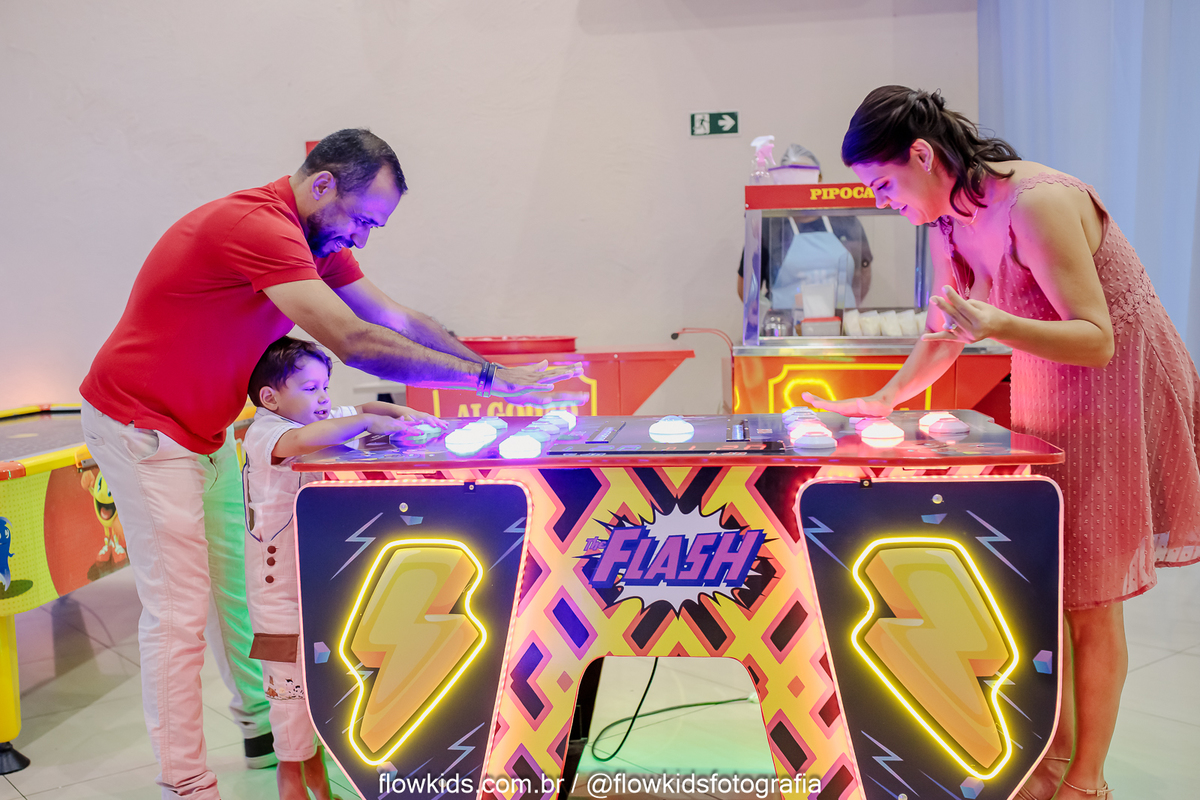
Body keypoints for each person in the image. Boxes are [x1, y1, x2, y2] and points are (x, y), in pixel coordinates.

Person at [79, 128, 581, 800]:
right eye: (362, 220)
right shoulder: (258, 227)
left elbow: (393, 316)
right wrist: (489, 382)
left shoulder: (318, 240)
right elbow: (354, 339)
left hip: (206, 427)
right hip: (140, 422)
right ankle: (186, 782)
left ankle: (262, 730)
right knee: (178, 610)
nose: (362, 239)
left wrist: (497, 372)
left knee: (235, 589)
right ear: (321, 186)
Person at [804, 86, 1200, 799]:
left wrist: (997, 325)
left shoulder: (1037, 205)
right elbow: (948, 329)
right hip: (1048, 386)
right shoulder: (948, 217)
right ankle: (1051, 757)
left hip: (1116, 390)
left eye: (882, 184)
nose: (880, 201)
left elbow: (1097, 338)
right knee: (1048, 582)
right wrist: (884, 399)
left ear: (922, 155)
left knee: (1090, 597)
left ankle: (1086, 781)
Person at [241, 336, 443, 800]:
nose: (323, 398)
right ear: (270, 397)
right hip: (277, 591)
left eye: (325, 387)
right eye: (310, 388)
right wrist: (367, 422)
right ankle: (290, 776)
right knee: (288, 686)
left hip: (312, 578)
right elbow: (308, 439)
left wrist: (403, 414)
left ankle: (317, 771)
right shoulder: (266, 431)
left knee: (318, 675)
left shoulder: (309, 417)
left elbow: (363, 407)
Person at [737, 143, 873, 308]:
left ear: (819, 179)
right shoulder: (768, 225)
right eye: (791, 178)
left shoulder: (844, 221)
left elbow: (863, 271)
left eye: (804, 177)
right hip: (787, 323)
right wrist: (768, 313)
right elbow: (746, 287)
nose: (799, 185)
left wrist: (849, 311)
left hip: (840, 321)